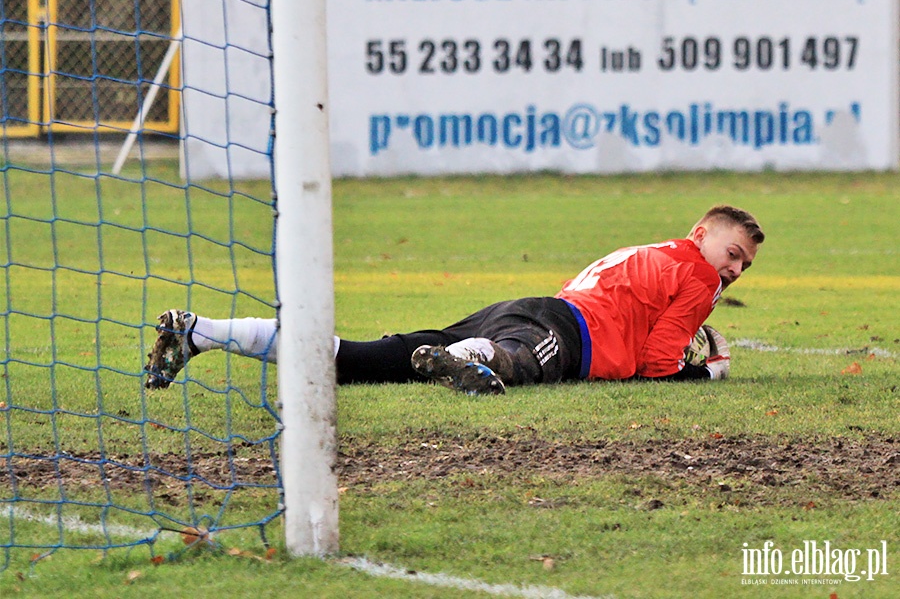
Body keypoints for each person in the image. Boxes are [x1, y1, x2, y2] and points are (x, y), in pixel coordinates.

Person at [144, 204, 764, 395]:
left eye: (744, 264)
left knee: (362, 360)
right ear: (701, 234)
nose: (733, 271)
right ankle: (468, 362)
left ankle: (199, 331)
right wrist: (700, 374)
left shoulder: (660, 253)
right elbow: (656, 359)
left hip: (527, 309)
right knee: (512, 365)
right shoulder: (700, 279)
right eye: (732, 253)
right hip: (566, 331)